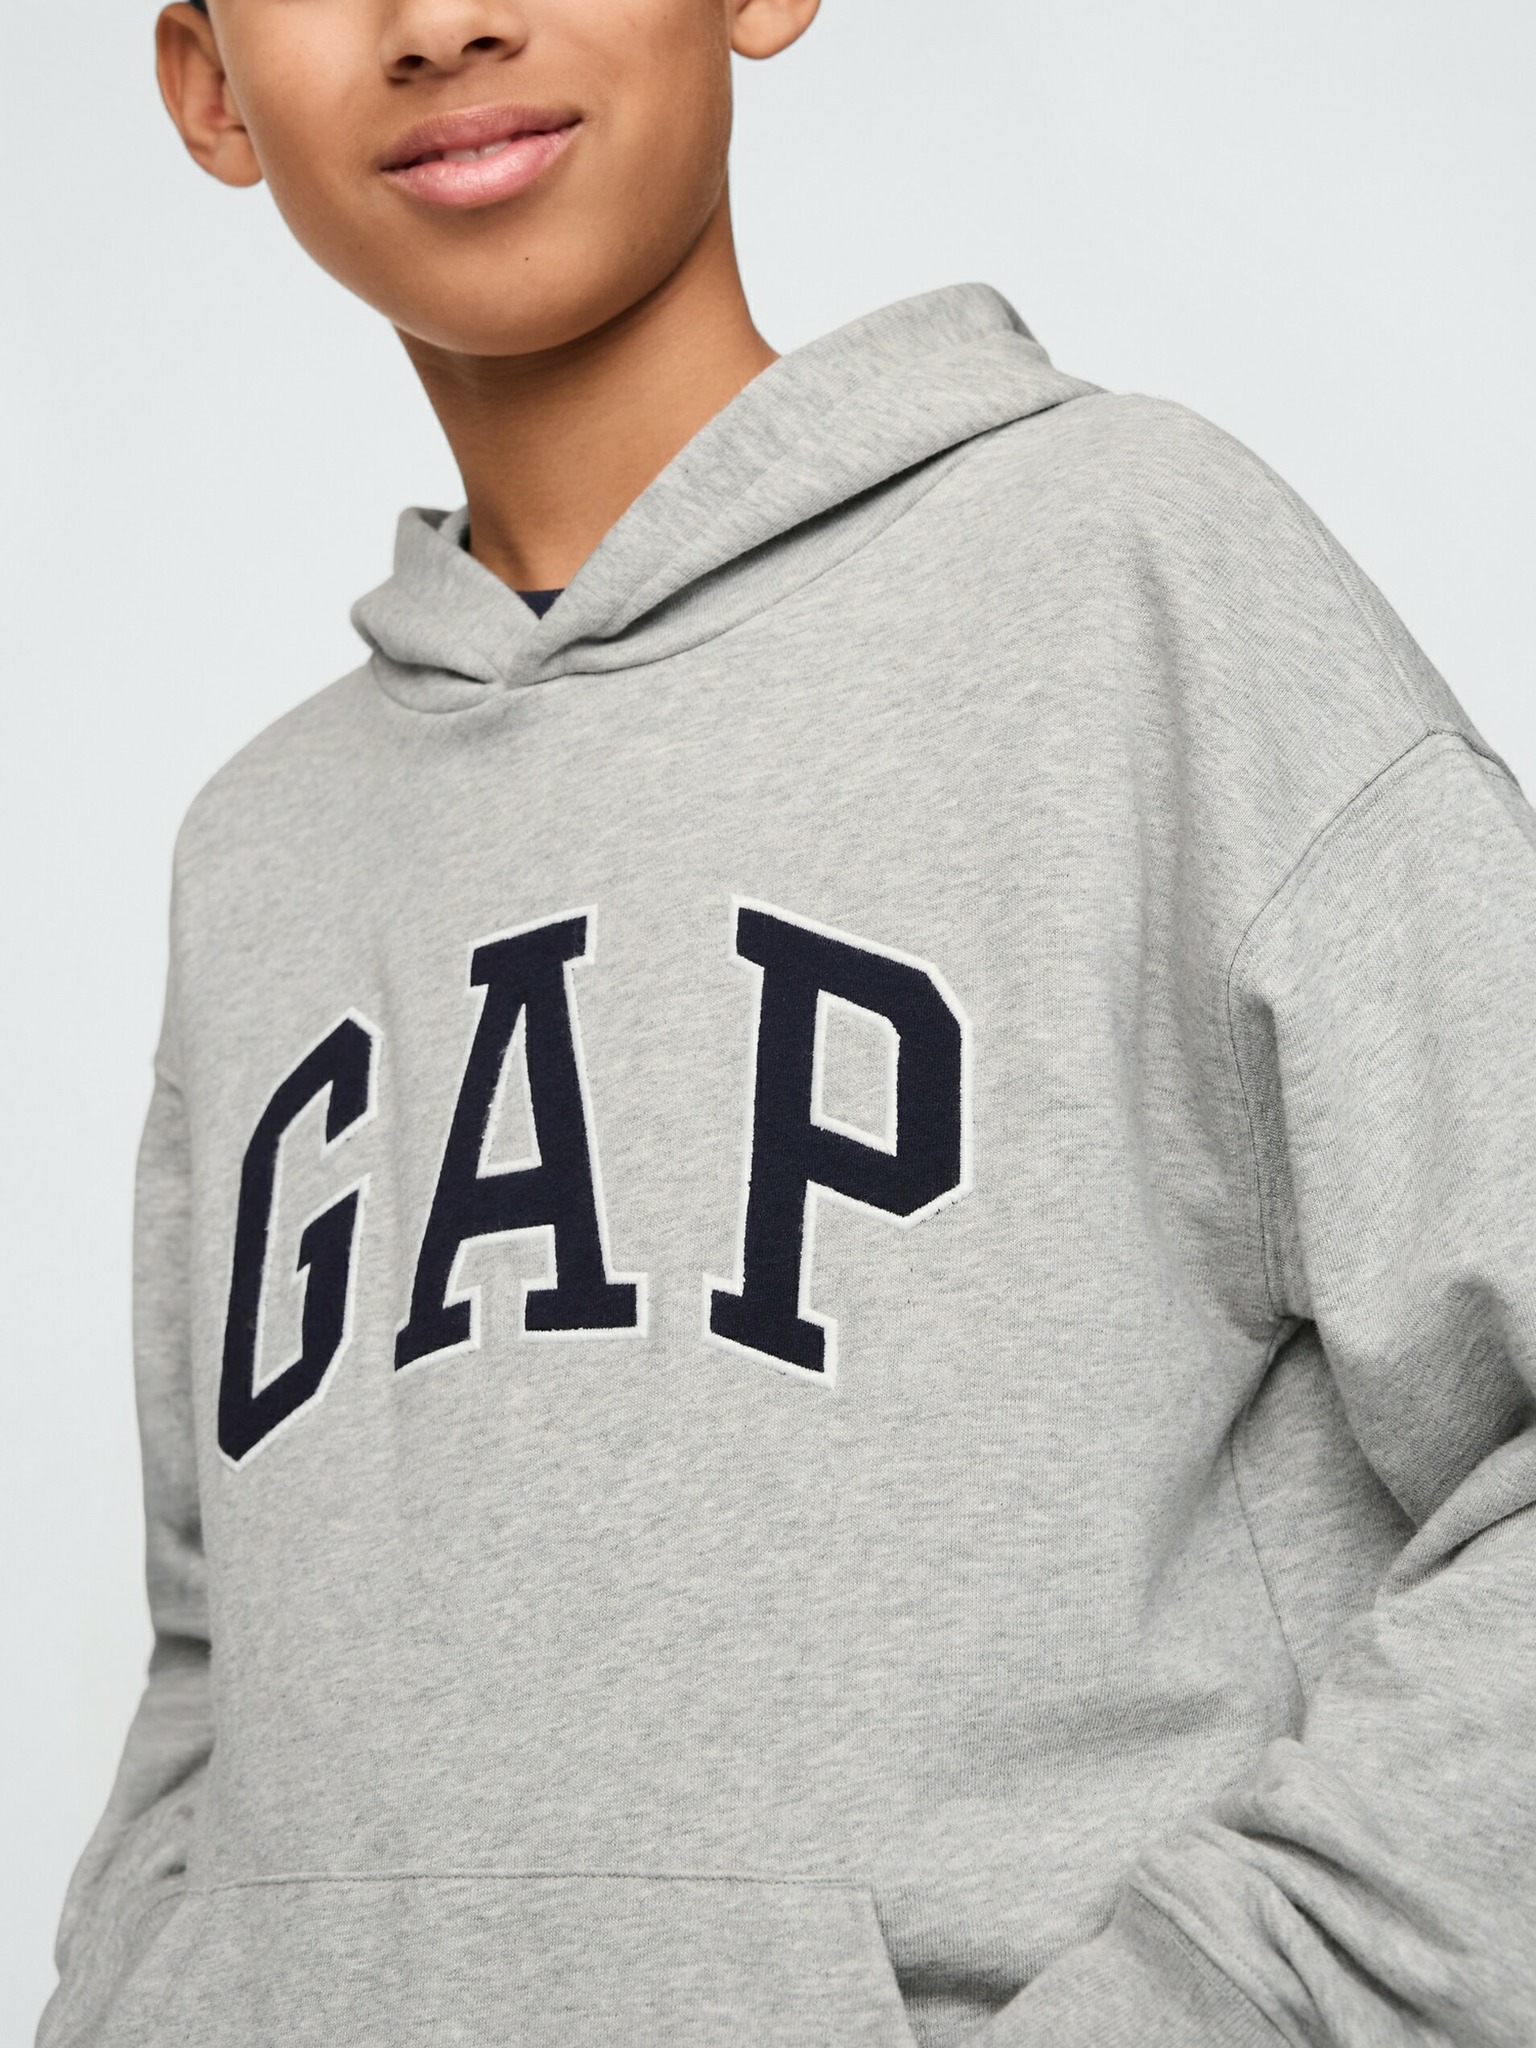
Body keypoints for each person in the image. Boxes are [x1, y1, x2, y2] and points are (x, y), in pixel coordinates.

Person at [36, 0, 1536, 2043]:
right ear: (212, 90)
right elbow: (222, 1666)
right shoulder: (261, 845)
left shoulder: (1133, 576)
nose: (443, 21)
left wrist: (1213, 2004)